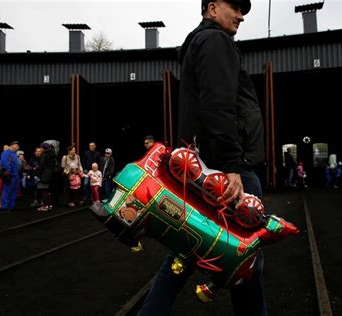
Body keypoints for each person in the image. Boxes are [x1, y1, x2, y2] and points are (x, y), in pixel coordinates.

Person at [138, 1, 267, 315]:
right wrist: (232, 166)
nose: (241, 14)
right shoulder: (215, 41)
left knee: (187, 251)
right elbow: (217, 106)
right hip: (227, 168)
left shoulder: (204, 42)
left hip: (209, 163)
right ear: (212, 8)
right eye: (234, 6)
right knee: (244, 255)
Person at [0, 141, 20, 211]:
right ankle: (4, 207)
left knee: (14, 191)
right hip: (10, 175)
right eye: (17, 145)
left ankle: (10, 206)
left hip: (15, 175)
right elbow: (5, 162)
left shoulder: (14, 154)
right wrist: (8, 171)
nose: (18, 147)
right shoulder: (6, 153)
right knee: (7, 191)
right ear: (12, 145)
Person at [36, 142, 56, 211]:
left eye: (41, 148)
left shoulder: (44, 155)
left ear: (44, 148)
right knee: (47, 190)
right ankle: (49, 205)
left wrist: (38, 174)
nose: (40, 149)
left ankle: (45, 206)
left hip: (44, 175)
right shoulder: (52, 154)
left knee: (44, 190)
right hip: (50, 174)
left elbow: (41, 166)